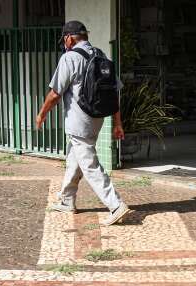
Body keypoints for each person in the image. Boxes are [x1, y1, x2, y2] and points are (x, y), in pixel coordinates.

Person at [36, 20, 129, 226]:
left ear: (69, 38)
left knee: (89, 165)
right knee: (74, 157)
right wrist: (117, 123)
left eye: (65, 40)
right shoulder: (101, 55)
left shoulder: (69, 58)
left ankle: (115, 205)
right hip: (97, 118)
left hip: (79, 122)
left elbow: (55, 94)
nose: (64, 43)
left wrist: (41, 114)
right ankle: (67, 200)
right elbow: (114, 93)